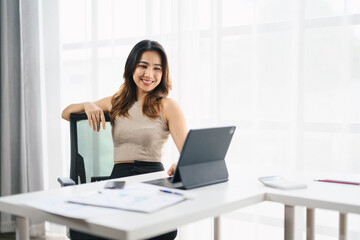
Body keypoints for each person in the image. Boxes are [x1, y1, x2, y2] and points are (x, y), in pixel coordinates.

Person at [62, 40, 187, 240]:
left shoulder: (168, 106)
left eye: (157, 69)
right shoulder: (116, 102)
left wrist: (180, 164)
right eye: (143, 66)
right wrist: (89, 104)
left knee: (159, 230)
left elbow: (188, 154)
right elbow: (66, 113)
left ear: (163, 74)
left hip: (151, 179)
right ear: (132, 68)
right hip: (119, 181)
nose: (149, 74)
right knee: (86, 228)